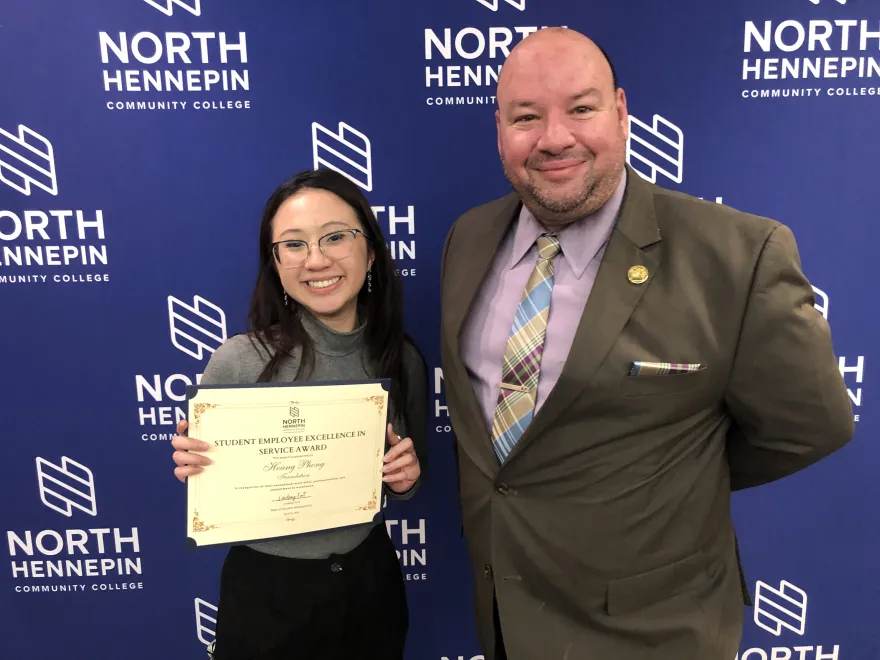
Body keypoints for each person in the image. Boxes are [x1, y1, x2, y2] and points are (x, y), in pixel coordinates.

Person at [439, 27, 854, 660]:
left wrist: (665, 477)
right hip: (504, 615)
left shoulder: (738, 255)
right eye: (527, 116)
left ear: (622, 112)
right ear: (499, 128)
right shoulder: (468, 238)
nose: (555, 138)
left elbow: (811, 427)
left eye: (581, 108)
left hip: (652, 630)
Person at [170, 168, 428, 660]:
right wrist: (195, 467)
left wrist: (404, 478)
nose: (316, 260)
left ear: (370, 251)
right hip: (268, 594)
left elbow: (410, 484)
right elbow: (212, 488)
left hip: (370, 581)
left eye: (335, 237)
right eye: (293, 245)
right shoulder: (239, 360)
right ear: (276, 263)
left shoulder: (402, 359)